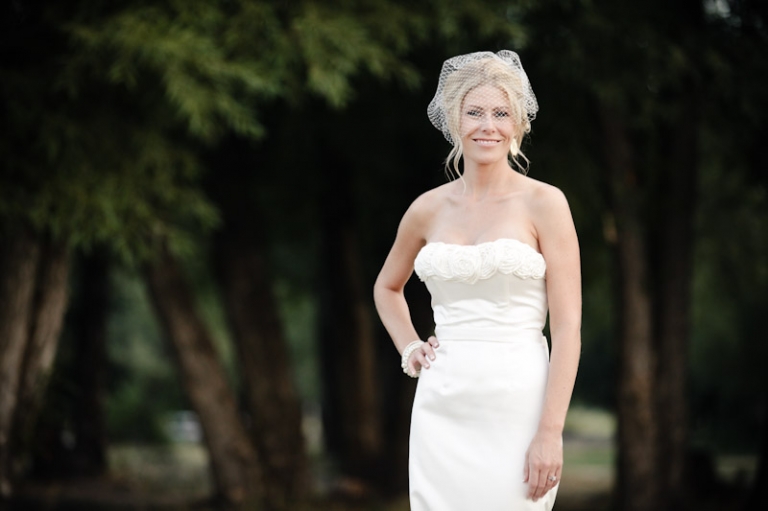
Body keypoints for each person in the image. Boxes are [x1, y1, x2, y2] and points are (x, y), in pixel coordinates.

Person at [373, 50, 581, 510]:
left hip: (519, 403)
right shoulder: (426, 209)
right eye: (475, 112)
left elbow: (567, 329)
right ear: (454, 119)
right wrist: (410, 346)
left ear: (517, 124)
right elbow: (386, 288)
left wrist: (550, 432)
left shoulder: (546, 204)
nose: (488, 125)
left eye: (501, 112)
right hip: (442, 404)